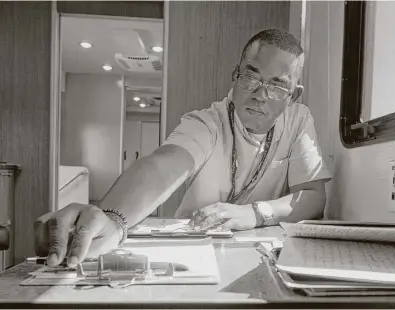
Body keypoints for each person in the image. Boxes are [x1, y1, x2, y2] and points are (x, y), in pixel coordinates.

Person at [34, 28, 332, 268]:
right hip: (194, 250)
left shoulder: (298, 119)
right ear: (235, 75)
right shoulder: (206, 123)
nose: (260, 95)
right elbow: (164, 164)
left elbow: (314, 196)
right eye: (250, 77)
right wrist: (112, 219)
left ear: (293, 95)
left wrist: (255, 213)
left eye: (277, 86)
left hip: (262, 257)